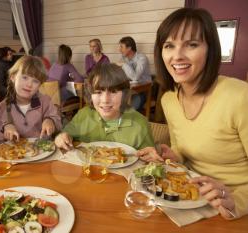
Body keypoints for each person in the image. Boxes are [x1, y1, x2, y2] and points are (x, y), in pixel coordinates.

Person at [137, 8, 248, 219]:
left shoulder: (240, 96)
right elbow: (183, 149)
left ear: (210, 49)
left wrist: (237, 200)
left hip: (234, 206)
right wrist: (172, 155)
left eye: (192, 44)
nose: (177, 56)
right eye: (169, 45)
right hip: (189, 198)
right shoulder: (168, 99)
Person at [54, 63, 154, 151]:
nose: (105, 100)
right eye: (98, 92)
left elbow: (150, 162)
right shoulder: (84, 115)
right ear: (90, 94)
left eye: (113, 92)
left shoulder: (140, 125)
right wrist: (61, 137)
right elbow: (65, 135)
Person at [0, 55, 62, 143]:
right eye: (25, 77)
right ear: (13, 77)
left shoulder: (45, 101)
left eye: (35, 81)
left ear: (40, 85)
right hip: (16, 153)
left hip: (43, 150)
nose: (29, 85)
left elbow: (59, 124)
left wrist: (51, 121)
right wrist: (5, 127)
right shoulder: (3, 106)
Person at [119, 36, 152, 111]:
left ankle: (132, 120)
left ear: (129, 48)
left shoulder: (142, 58)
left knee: (131, 108)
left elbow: (135, 77)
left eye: (121, 47)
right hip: (128, 89)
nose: (119, 50)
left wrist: (124, 65)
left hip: (143, 90)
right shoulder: (124, 59)